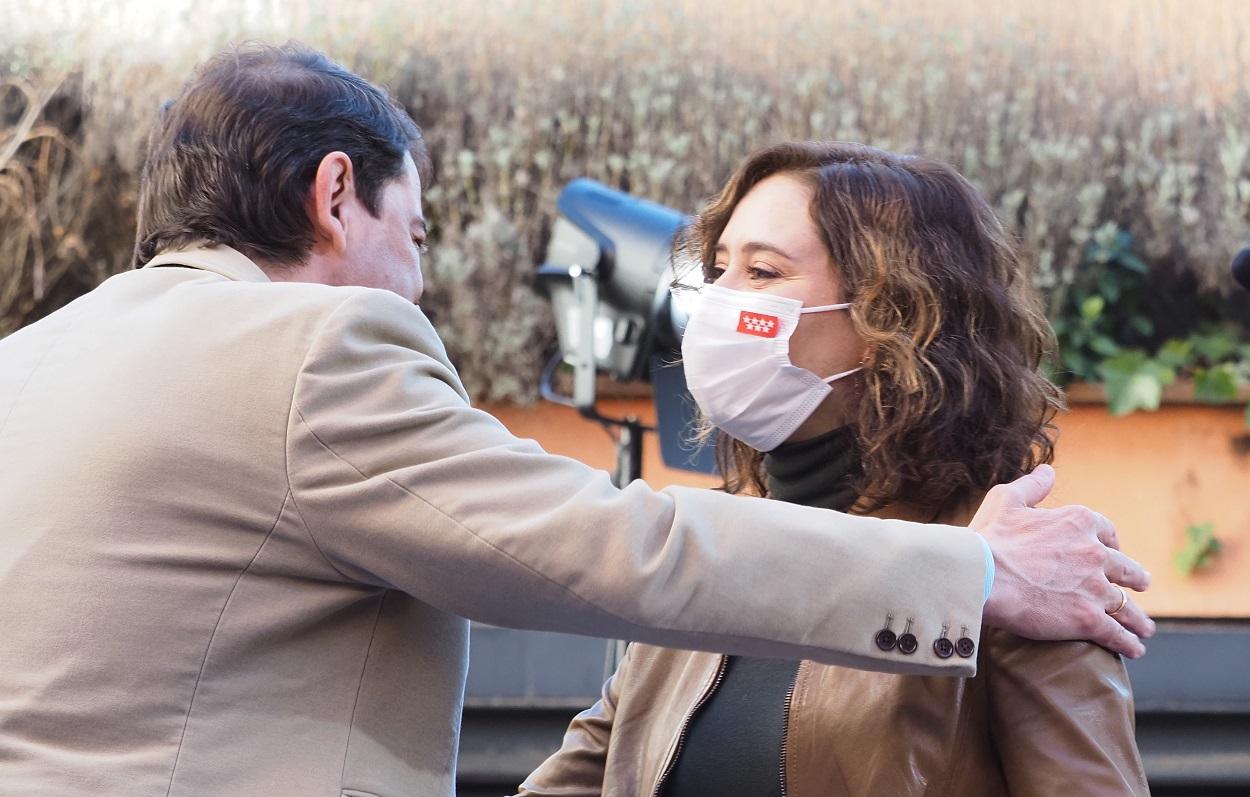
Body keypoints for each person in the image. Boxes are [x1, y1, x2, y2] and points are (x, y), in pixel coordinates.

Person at [0, 46, 1150, 796]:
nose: (418, 277)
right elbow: (604, 548)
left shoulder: (29, 364)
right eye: (420, 228)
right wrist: (964, 575)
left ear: (895, 315)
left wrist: (978, 572)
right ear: (336, 194)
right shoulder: (309, 350)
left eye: (766, 270)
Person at [515, 142, 1152, 797]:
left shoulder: (1024, 576)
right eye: (719, 266)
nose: (715, 300)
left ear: (891, 318)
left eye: (762, 272)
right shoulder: (712, 540)